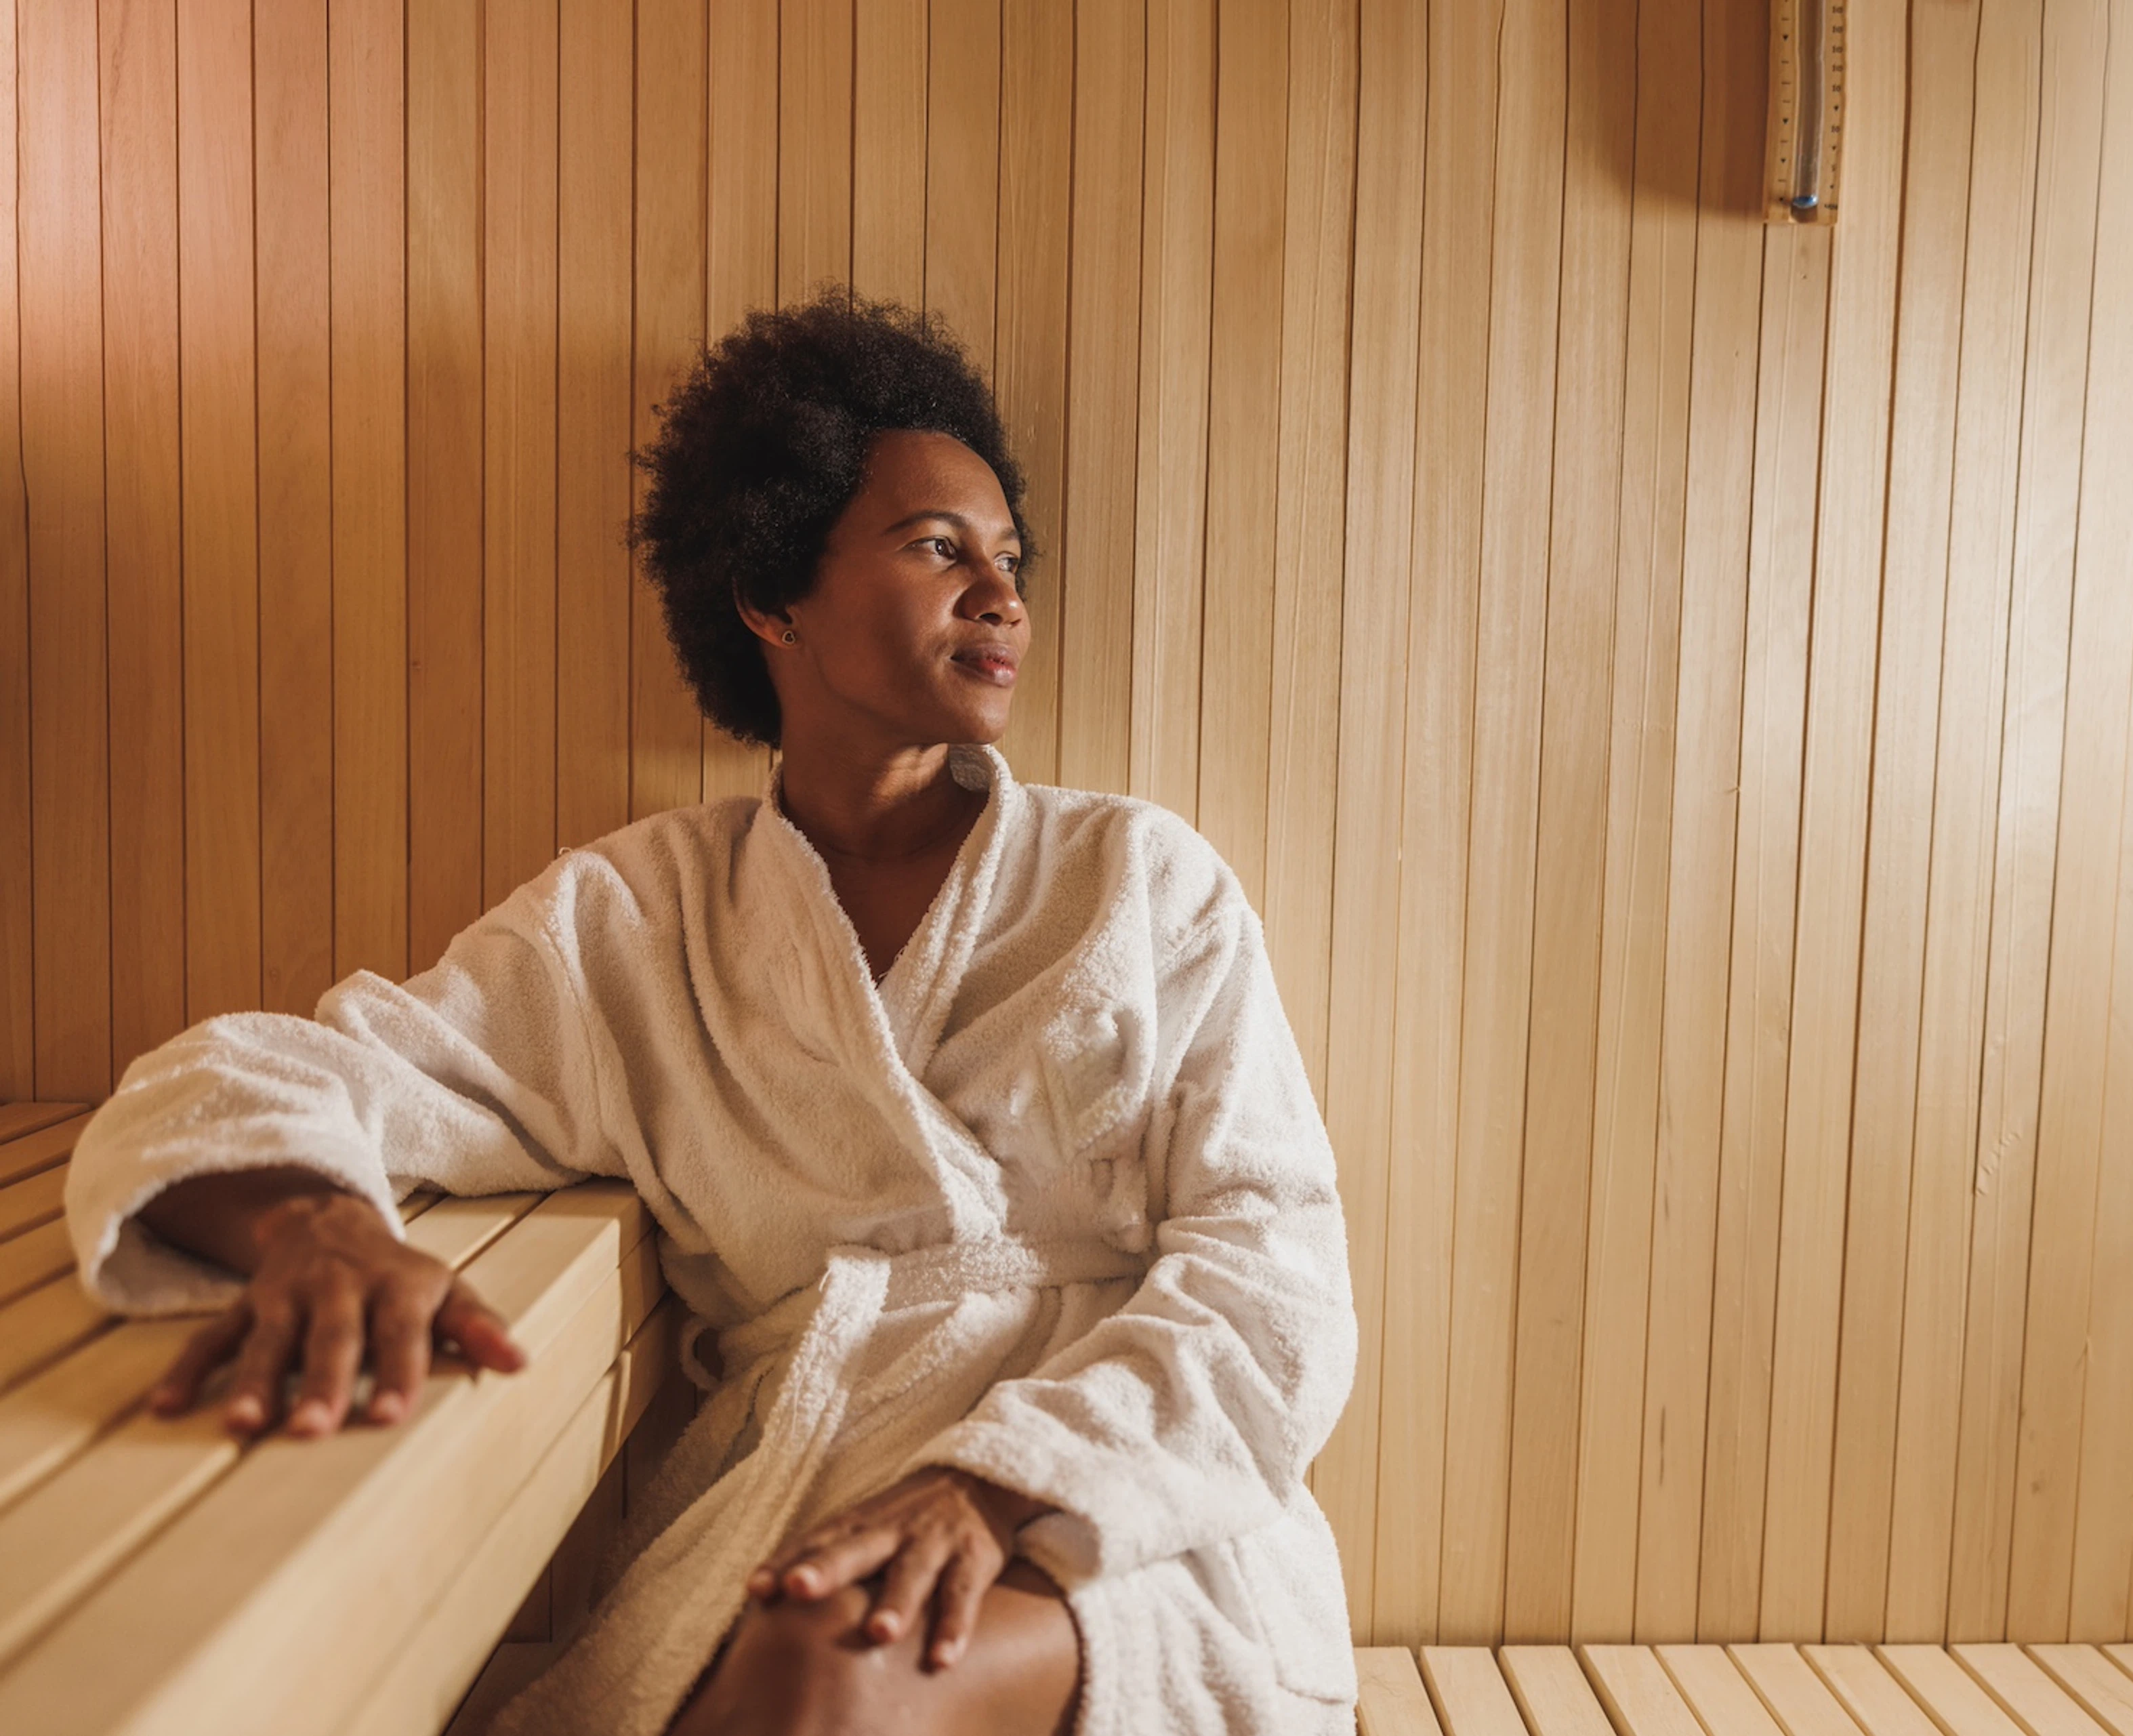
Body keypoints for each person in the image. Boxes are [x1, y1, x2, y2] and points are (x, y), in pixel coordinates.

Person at [61, 289, 1359, 1736]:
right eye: (939, 547)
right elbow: (283, 1070)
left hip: (1127, 1519)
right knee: (801, 1658)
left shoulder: (1138, 881)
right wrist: (318, 1225)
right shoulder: (641, 921)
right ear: (770, 593)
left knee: (820, 1671)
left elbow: (1277, 1280)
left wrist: (997, 1484)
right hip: (806, 1499)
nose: (1001, 595)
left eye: (1008, 558)